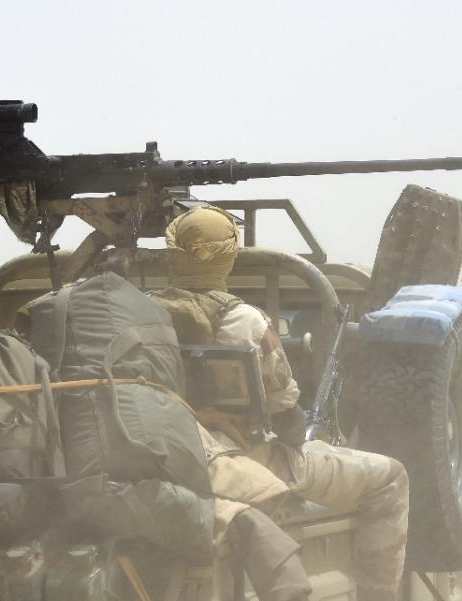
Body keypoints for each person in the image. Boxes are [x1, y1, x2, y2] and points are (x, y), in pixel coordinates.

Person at [151, 206, 410, 601]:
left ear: (172, 255)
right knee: (391, 477)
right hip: (252, 462)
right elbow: (289, 423)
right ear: (230, 255)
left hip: (170, 459)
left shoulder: (143, 314)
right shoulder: (247, 322)